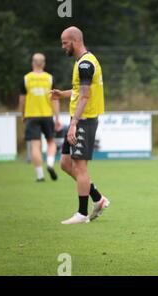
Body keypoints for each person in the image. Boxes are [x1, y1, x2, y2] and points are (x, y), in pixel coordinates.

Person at [50, 26, 110, 225]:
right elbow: (80, 90)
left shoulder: (85, 64)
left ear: (74, 41)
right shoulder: (83, 61)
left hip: (84, 120)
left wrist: (74, 124)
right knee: (65, 163)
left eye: (64, 43)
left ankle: (82, 213)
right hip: (77, 119)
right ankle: (98, 198)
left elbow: (85, 96)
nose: (63, 47)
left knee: (80, 166)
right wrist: (63, 94)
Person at [19, 53, 61, 182]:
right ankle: (49, 163)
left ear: (32, 63)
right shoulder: (50, 78)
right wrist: (57, 117)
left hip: (32, 116)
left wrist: (23, 114)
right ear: (43, 64)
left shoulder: (26, 79)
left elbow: (22, 100)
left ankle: (40, 175)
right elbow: (55, 99)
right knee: (51, 142)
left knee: (35, 146)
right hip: (47, 115)